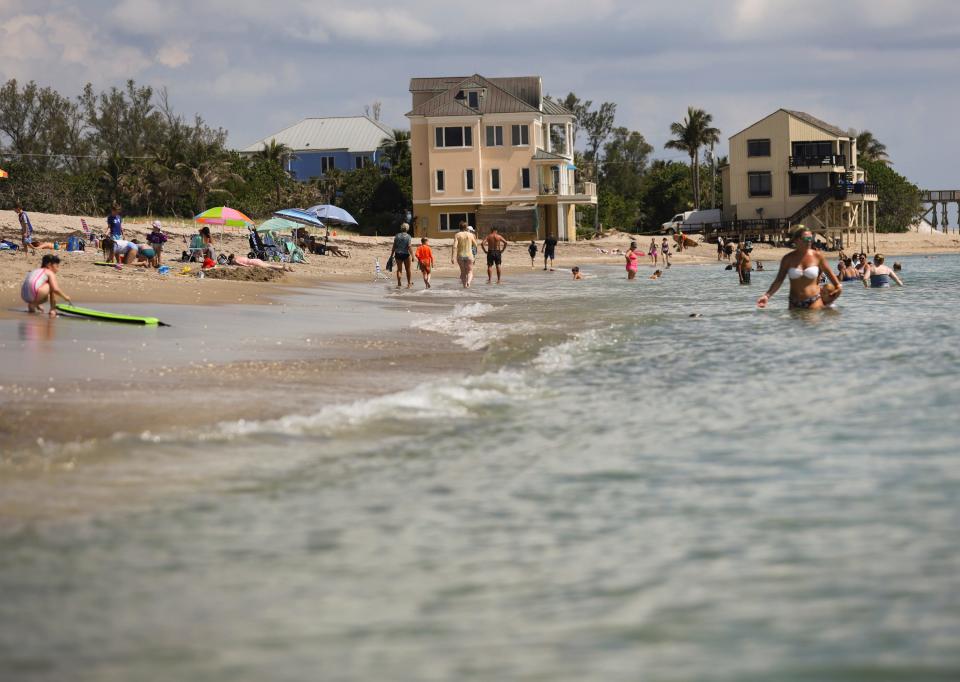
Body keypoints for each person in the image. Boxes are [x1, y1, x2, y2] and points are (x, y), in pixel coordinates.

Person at [757, 226, 843, 310]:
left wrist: (831, 300)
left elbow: (837, 284)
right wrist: (767, 296)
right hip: (794, 303)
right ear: (797, 240)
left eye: (811, 239)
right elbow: (779, 281)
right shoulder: (788, 259)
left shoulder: (817, 256)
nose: (810, 241)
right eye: (806, 239)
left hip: (814, 301)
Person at [452, 221, 477, 288]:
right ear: (466, 227)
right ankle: (468, 282)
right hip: (469, 255)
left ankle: (464, 286)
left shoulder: (457, 235)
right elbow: (475, 245)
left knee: (463, 272)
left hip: (460, 255)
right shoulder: (471, 235)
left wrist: (452, 257)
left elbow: (454, 246)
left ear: (459, 227)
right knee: (470, 271)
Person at [389, 222, 414, 288]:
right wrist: (412, 255)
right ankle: (409, 283)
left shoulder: (397, 236)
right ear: (407, 228)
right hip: (406, 254)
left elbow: (394, 246)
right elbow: (409, 246)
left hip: (398, 254)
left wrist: (391, 255)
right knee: (408, 269)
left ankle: (399, 283)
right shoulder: (408, 236)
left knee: (399, 269)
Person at [227, 254, 293, 271]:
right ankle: (285, 268)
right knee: (268, 265)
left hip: (253, 263)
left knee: (269, 266)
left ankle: (283, 268)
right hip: (255, 260)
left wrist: (248, 266)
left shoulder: (235, 260)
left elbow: (241, 264)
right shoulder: (238, 257)